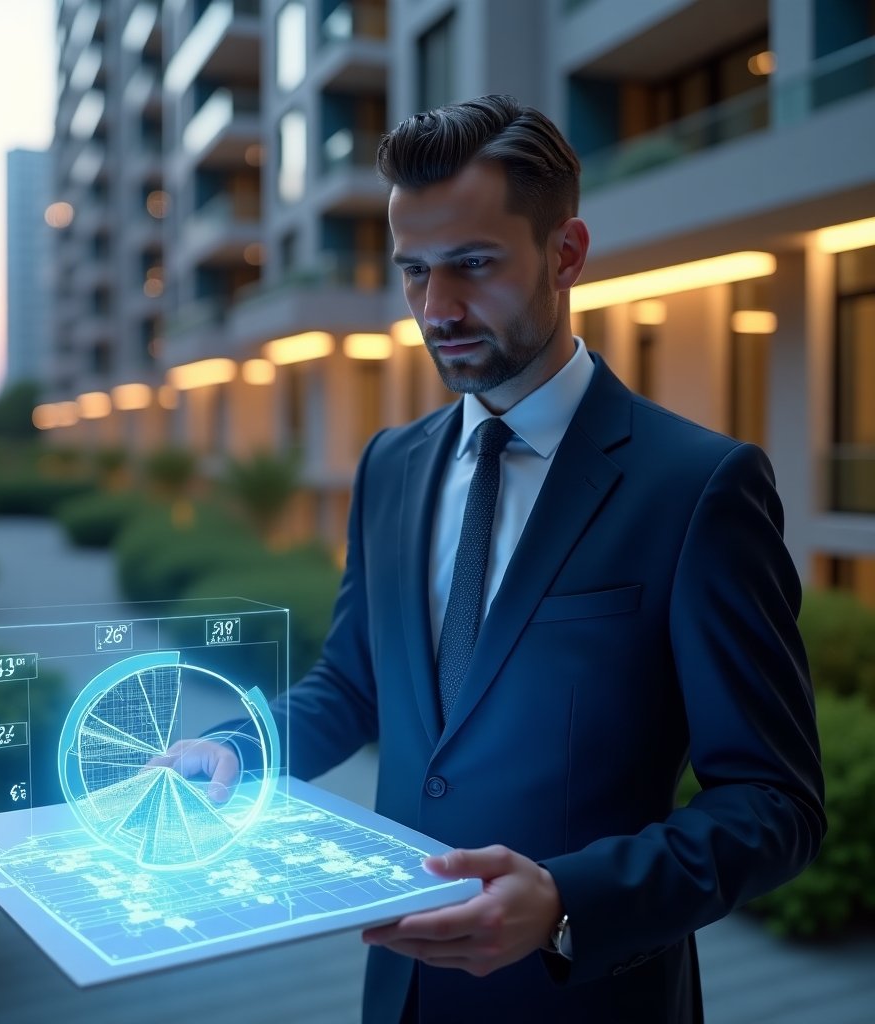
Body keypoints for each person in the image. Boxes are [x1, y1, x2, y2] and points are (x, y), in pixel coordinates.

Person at [157, 95, 825, 1023]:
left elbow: (773, 802)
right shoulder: (391, 466)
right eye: (415, 272)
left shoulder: (699, 486)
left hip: (589, 997)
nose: (438, 309)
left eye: (473, 265)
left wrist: (565, 901)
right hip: (400, 991)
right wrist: (240, 749)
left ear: (566, 253)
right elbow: (355, 685)